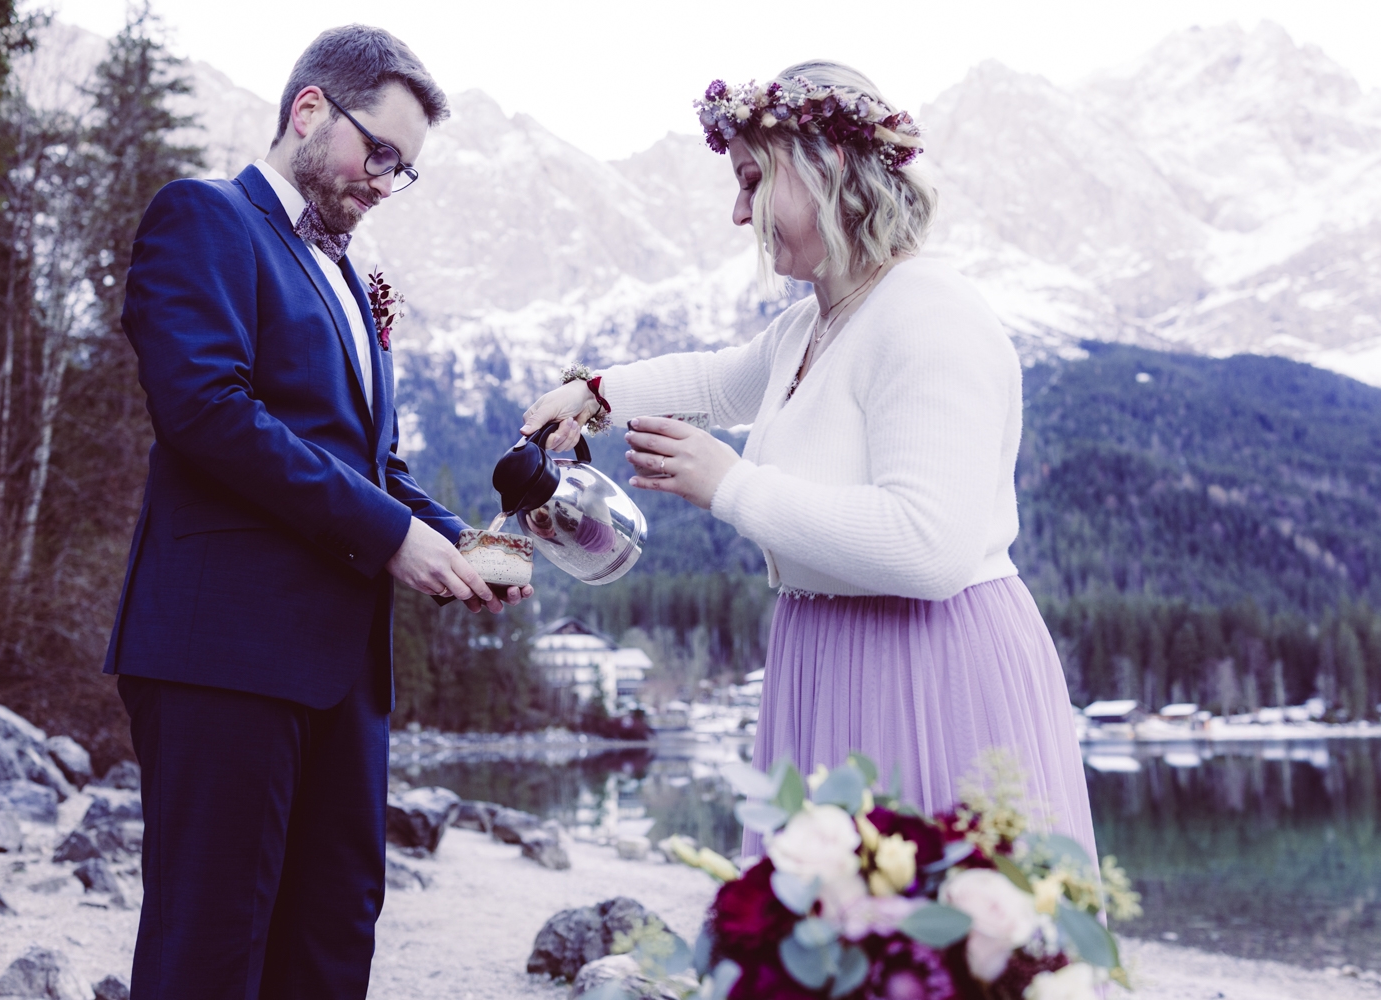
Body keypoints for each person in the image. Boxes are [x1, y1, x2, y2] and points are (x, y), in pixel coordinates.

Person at [522, 61, 1094, 859]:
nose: (738, 212)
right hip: (830, 655)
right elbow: (718, 379)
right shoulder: (814, 324)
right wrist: (594, 391)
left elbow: (930, 548)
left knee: (921, 946)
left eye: (754, 181)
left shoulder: (929, 313)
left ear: (827, 168)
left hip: (927, 666)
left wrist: (732, 486)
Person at [105, 25, 528, 999]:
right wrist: (390, 537)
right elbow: (207, 412)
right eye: (377, 152)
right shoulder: (203, 218)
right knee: (208, 955)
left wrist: (462, 541)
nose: (385, 181)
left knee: (333, 942)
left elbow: (371, 460)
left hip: (342, 671)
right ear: (307, 110)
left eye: (404, 171)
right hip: (223, 655)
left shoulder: (346, 270)